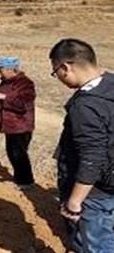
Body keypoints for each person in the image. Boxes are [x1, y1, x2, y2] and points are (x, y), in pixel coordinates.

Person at [50, 39, 114, 253]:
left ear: (65, 67)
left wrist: (75, 202)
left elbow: (91, 157)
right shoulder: (110, 84)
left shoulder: (85, 105)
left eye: (55, 72)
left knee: (98, 243)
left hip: (95, 191)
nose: (58, 78)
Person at [0, 57, 36, 190]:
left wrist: (5, 97)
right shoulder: (4, 83)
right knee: (11, 152)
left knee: (19, 153)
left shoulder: (25, 83)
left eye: (2, 70)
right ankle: (19, 177)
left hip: (21, 125)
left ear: (12, 69)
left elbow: (23, 104)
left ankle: (26, 181)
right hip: (9, 125)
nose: (0, 73)